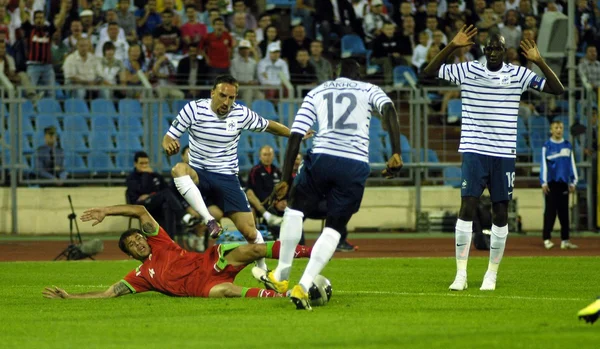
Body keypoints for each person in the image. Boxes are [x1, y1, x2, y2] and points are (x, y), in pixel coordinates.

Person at [421, 26, 565, 291]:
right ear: (484, 50)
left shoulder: (519, 74)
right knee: (467, 206)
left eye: (498, 47)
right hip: (474, 150)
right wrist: (452, 46)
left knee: (501, 212)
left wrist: (539, 61)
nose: (493, 52)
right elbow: (427, 72)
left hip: (503, 153)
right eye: (489, 48)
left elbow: (558, 89)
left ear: (506, 51)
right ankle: (461, 274)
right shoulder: (469, 69)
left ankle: (491, 274)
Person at [256, 59, 403, 310]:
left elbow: (296, 135)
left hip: (322, 158)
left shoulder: (318, 91)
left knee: (294, 208)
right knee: (335, 227)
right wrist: (396, 151)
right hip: (354, 165)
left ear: (334, 73)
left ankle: (281, 274)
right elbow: (389, 111)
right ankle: (303, 285)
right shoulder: (369, 89)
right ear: (358, 74)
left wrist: (284, 180)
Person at [161, 75, 298, 272]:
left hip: (227, 178)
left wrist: (295, 133)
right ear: (212, 93)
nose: (226, 102)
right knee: (178, 169)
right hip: (199, 173)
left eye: (231, 98)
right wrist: (169, 146)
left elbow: (269, 126)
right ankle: (209, 220)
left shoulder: (240, 114)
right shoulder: (193, 109)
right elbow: (168, 138)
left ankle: (264, 271)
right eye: (222, 96)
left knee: (251, 232)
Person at [43, 204, 312, 299]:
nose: (138, 243)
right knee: (229, 292)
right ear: (129, 254)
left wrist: (106, 211)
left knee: (253, 249)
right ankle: (284, 295)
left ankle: (311, 252)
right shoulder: (140, 276)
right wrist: (70, 297)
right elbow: (107, 293)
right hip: (202, 287)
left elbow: (139, 211)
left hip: (211, 260)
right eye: (132, 245)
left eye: (138, 238)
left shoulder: (159, 241)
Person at [125, 151, 199, 238]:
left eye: (146, 163)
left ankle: (169, 240)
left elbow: (167, 189)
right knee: (165, 194)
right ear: (135, 164)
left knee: (167, 204)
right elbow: (142, 190)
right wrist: (145, 174)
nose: (144, 166)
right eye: (141, 163)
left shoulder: (155, 175)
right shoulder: (131, 178)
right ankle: (184, 216)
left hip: (156, 203)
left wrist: (153, 195)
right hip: (141, 204)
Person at [540, 120, 578, 250]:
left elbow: (571, 164)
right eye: (556, 127)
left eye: (561, 127)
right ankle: (546, 238)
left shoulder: (567, 146)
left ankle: (565, 240)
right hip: (551, 184)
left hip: (563, 184)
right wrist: (543, 182)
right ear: (551, 130)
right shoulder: (547, 146)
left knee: (564, 213)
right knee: (550, 212)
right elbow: (543, 165)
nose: (559, 130)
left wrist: (574, 181)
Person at [246, 145, 283, 227]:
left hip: (274, 202)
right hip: (260, 203)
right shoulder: (255, 171)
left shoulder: (277, 171)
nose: (267, 157)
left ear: (273, 156)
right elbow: (255, 191)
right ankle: (267, 216)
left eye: (269, 155)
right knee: (250, 194)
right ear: (260, 157)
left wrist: (280, 201)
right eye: (265, 155)